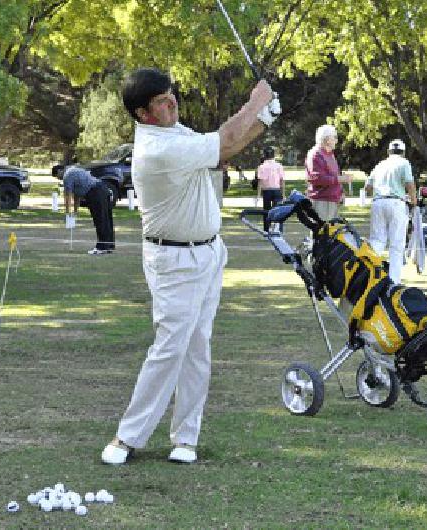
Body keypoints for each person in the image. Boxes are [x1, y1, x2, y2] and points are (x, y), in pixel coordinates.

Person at [100, 67, 279, 466]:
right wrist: (256, 101)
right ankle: (128, 436)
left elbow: (225, 149)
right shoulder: (157, 149)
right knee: (169, 348)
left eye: (171, 94)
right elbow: (227, 138)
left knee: (198, 346)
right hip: (173, 260)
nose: (172, 103)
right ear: (142, 114)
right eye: (162, 101)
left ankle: (186, 436)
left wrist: (263, 121)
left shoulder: (175, 132)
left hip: (208, 253)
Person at [364, 139, 416, 284]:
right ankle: (394, 281)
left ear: (389, 152)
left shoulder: (380, 164)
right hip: (396, 203)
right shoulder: (404, 163)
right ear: (403, 152)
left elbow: (368, 187)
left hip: (378, 202)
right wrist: (414, 200)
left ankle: (369, 274)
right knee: (396, 244)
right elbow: (409, 184)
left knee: (377, 241)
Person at [62, 166, 115, 255]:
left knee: (100, 220)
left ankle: (101, 247)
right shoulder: (75, 171)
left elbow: (68, 196)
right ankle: (109, 246)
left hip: (95, 192)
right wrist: (75, 211)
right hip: (103, 188)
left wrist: (67, 212)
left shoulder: (67, 177)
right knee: (106, 219)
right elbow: (77, 195)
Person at [304, 124, 352, 222]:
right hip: (321, 201)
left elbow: (334, 174)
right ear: (326, 139)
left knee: (331, 234)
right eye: (334, 137)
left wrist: (341, 192)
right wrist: (340, 179)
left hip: (332, 200)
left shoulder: (330, 154)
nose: (336, 140)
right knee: (322, 233)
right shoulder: (316, 154)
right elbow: (316, 178)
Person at [255, 146, 285, 231]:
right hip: (277, 190)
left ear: (264, 155)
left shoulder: (262, 166)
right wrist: (283, 194)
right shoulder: (279, 166)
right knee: (278, 211)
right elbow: (282, 181)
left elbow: (260, 182)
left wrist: (258, 195)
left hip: (267, 191)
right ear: (273, 155)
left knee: (266, 211)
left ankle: (266, 229)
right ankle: (278, 229)